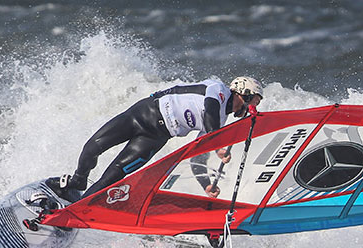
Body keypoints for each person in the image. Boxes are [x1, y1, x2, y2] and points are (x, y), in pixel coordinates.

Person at [55, 76, 263, 200]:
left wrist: (206, 185)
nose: (254, 106)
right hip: (142, 113)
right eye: (255, 100)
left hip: (156, 136)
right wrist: (219, 145)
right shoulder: (218, 90)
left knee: (114, 175)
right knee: (93, 146)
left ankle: (77, 208)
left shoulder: (220, 123)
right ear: (243, 92)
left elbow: (197, 157)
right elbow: (209, 111)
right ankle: (78, 179)